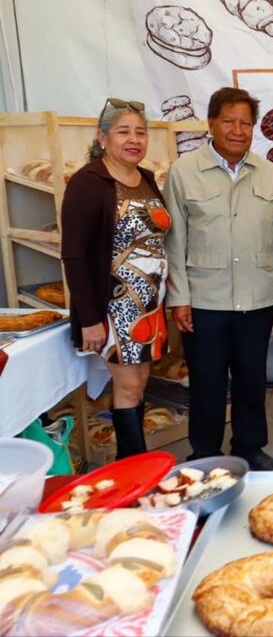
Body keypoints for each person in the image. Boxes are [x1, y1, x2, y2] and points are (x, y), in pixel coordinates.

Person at [164, 87, 273, 471]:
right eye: (228, 121)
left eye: (245, 123)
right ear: (211, 124)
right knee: (206, 383)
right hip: (205, 299)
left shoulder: (270, 174)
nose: (237, 130)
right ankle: (205, 452)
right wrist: (179, 297)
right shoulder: (184, 172)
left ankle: (250, 447)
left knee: (251, 379)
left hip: (258, 297)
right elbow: (175, 241)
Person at [62, 98, 170, 460]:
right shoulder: (89, 182)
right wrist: (90, 319)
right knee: (128, 385)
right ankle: (137, 472)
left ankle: (131, 467)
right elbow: (74, 255)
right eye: (123, 131)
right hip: (115, 305)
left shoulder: (147, 179)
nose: (133, 139)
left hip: (149, 304)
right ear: (103, 137)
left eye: (140, 132)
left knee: (138, 385)